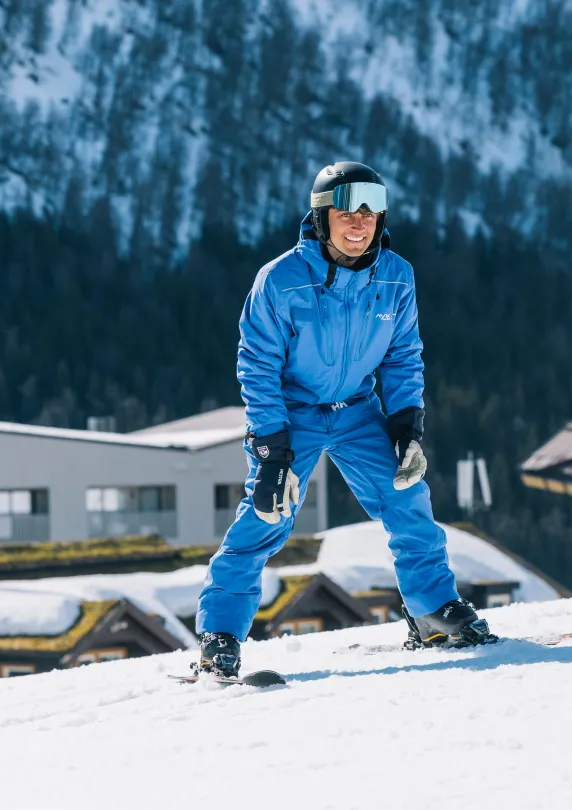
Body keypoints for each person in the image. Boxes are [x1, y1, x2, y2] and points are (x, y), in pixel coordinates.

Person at [193, 162, 490, 678]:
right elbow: (257, 364)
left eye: (371, 213)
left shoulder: (396, 276)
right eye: (348, 212)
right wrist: (271, 450)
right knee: (267, 515)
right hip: (292, 416)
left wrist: (404, 425)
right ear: (322, 216)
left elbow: (402, 355)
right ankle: (220, 633)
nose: (360, 223)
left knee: (408, 499)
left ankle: (432, 611)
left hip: (358, 411)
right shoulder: (282, 280)